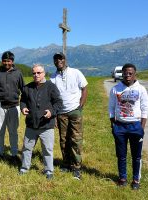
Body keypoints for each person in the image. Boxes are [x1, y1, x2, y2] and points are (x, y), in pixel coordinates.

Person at [108, 63, 148, 190]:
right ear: (122, 74)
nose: (127, 75)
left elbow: (144, 108)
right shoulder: (115, 89)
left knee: (136, 156)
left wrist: (141, 127)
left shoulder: (141, 89)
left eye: (130, 73)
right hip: (120, 127)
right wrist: (113, 125)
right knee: (121, 155)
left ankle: (136, 179)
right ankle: (122, 178)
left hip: (135, 126)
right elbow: (111, 107)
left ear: (135, 74)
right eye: (125, 73)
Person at [19, 64, 62, 179]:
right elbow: (23, 100)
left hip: (46, 125)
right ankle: (24, 168)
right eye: (34, 73)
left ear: (44, 73)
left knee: (47, 149)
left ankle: (49, 171)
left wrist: (51, 112)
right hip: (31, 125)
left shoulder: (51, 87)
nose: (36, 75)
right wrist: (23, 108)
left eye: (39, 73)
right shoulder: (27, 88)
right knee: (27, 148)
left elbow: (58, 102)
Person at [50, 52, 88, 180]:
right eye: (56, 59)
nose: (58, 61)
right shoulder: (53, 77)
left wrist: (81, 105)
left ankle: (76, 167)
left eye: (60, 58)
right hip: (61, 113)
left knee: (75, 140)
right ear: (54, 62)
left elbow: (84, 88)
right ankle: (66, 164)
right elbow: (52, 99)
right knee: (63, 139)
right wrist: (54, 115)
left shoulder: (75, 72)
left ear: (65, 60)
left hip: (74, 111)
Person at [0, 51, 25, 162]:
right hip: (0, 107)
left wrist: (24, 105)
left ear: (12, 61)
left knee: (13, 132)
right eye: (4, 61)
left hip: (14, 107)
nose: (6, 63)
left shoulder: (18, 73)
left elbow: (23, 89)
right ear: (2, 61)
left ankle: (14, 154)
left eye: (9, 61)